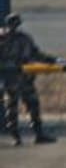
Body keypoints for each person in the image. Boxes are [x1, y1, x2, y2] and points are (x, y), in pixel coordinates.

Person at [0, 14, 59, 145]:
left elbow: (35, 53)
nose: (14, 26)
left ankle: (39, 134)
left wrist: (52, 60)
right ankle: (16, 136)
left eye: (16, 23)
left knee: (33, 105)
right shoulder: (2, 38)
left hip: (26, 79)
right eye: (12, 23)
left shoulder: (25, 39)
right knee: (12, 109)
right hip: (10, 80)